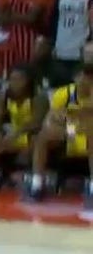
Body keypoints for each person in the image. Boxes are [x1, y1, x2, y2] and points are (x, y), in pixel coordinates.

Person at [26, 62, 93, 206]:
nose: (84, 80)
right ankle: (37, 184)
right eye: (81, 76)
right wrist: (70, 130)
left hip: (88, 136)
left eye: (89, 77)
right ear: (75, 78)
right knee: (43, 137)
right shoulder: (63, 94)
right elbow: (50, 121)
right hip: (68, 135)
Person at [0, 66, 47, 192]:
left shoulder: (38, 96)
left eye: (20, 79)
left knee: (38, 139)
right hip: (12, 132)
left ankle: (35, 181)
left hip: (30, 133)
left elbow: (37, 122)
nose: (15, 83)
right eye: (12, 79)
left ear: (28, 81)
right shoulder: (3, 95)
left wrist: (17, 132)